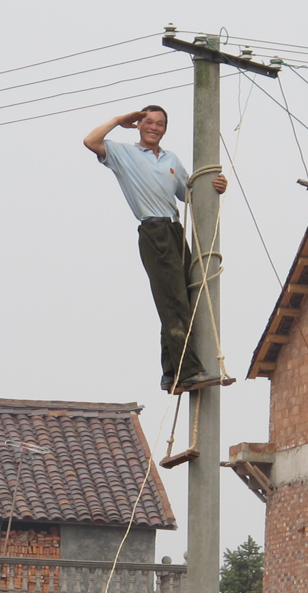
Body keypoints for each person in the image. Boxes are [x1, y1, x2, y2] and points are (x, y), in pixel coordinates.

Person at [84, 106, 227, 391]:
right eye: (148, 122)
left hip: (174, 229)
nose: (154, 127)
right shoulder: (124, 153)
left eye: (160, 123)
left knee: (183, 295)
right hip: (154, 231)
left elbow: (190, 195)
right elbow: (91, 141)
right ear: (139, 124)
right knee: (173, 301)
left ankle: (171, 370)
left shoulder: (171, 159)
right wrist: (117, 120)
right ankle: (188, 371)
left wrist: (216, 186)